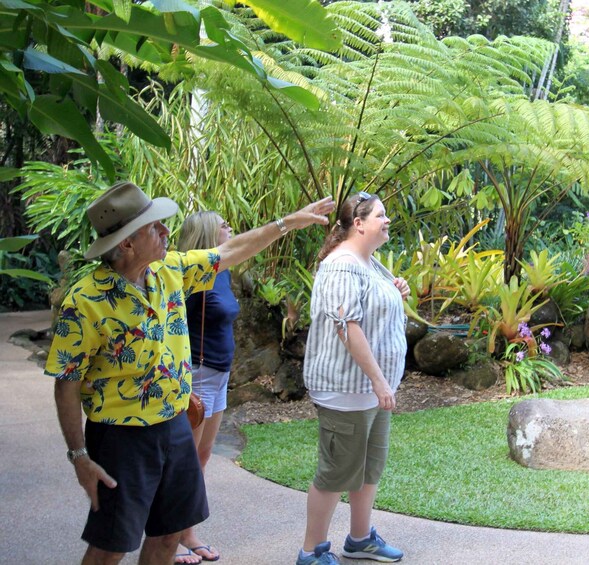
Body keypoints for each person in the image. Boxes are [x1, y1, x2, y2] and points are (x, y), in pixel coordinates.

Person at [45, 181, 334, 565]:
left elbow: (229, 250)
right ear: (128, 243)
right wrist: (80, 456)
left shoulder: (169, 272)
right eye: (154, 227)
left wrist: (286, 224)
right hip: (121, 439)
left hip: (176, 424)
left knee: (167, 537)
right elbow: (66, 384)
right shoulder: (85, 300)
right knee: (111, 547)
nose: (166, 231)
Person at [296, 192, 410, 565]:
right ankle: (311, 551)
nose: (387, 219)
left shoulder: (369, 262)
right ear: (358, 223)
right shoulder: (342, 265)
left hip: (372, 392)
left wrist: (396, 291)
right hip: (348, 391)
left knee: (368, 468)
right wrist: (379, 381)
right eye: (381, 214)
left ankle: (359, 539)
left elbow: (370, 307)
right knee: (335, 472)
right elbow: (348, 327)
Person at [169, 212, 237, 563]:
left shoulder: (220, 271)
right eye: (224, 224)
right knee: (185, 462)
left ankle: (183, 530)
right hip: (199, 376)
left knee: (202, 456)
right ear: (208, 233)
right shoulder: (191, 278)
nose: (230, 228)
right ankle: (180, 536)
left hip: (219, 375)